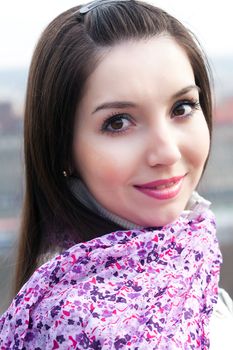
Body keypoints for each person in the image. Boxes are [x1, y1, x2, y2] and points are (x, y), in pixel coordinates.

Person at [0, 0, 232, 348]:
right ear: (63, 148)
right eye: (118, 122)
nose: (167, 152)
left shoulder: (191, 257)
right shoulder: (73, 325)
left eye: (181, 107)